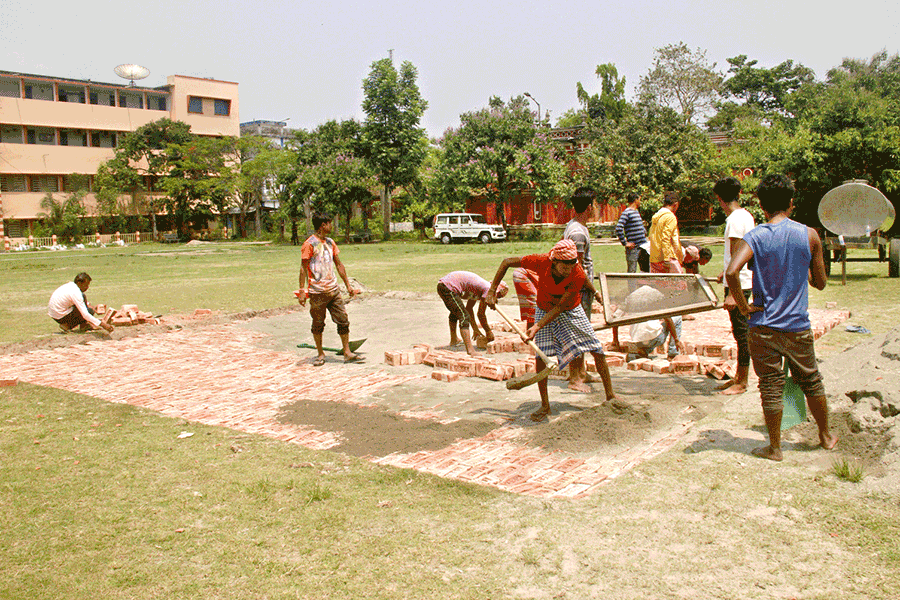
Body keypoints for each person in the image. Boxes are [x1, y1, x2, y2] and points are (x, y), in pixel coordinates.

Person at [726, 174, 837, 461]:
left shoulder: (756, 236)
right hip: (797, 326)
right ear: (790, 203)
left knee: (770, 386)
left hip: (763, 327)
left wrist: (743, 305)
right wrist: (805, 272)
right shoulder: (809, 234)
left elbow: (731, 272)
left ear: (762, 206)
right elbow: (821, 283)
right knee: (811, 380)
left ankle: (775, 448)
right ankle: (825, 436)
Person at [486, 239, 616, 422]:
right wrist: (492, 291)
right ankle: (545, 405)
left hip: (570, 309)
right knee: (541, 357)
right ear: (554, 261)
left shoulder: (576, 273)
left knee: (596, 348)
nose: (568, 270)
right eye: (565, 267)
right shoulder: (541, 261)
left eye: (572, 266)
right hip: (544, 307)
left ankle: (610, 396)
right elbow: (507, 262)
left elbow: (561, 307)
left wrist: (536, 326)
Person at [297, 213, 361, 366]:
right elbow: (303, 268)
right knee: (318, 323)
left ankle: (347, 352)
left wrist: (348, 285)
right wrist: (301, 290)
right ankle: (320, 354)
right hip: (317, 292)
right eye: (329, 223)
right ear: (322, 225)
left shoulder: (331, 243)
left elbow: (339, 264)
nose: (331, 226)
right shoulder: (309, 244)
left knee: (343, 321)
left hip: (333, 290)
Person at [714, 176, 755, 395]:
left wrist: (732, 294)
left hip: (740, 284)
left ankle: (743, 381)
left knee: (742, 333)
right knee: (739, 332)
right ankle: (739, 376)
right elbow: (739, 255)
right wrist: (725, 271)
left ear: (719, 199)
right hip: (739, 281)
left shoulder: (735, 220)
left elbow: (738, 254)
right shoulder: (744, 215)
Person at [563, 187, 600, 391]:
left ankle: (582, 373)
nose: (597, 208)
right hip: (578, 290)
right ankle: (574, 378)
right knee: (577, 332)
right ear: (588, 207)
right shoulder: (577, 232)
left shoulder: (578, 227)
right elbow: (576, 268)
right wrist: (594, 291)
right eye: (595, 204)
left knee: (581, 331)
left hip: (581, 289)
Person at [437, 271, 508, 356]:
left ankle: (454, 340)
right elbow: (481, 314)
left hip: (444, 285)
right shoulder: (488, 290)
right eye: (498, 296)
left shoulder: (479, 289)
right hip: (448, 287)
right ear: (497, 291)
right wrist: (488, 331)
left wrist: (475, 329)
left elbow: (469, 309)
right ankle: (470, 350)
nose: (496, 299)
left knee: (456, 312)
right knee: (464, 316)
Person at [48, 272, 114, 333]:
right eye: (86, 285)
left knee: (89, 308)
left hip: (55, 315)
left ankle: (79, 325)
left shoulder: (71, 286)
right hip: (61, 316)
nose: (87, 288)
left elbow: (81, 303)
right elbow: (85, 314)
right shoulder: (76, 293)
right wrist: (103, 325)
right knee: (89, 311)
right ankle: (68, 325)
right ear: (79, 283)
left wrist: (93, 308)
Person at [649, 193, 684, 273]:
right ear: (675, 204)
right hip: (666, 258)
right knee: (679, 284)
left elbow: (650, 236)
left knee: (658, 284)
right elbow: (666, 238)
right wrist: (667, 258)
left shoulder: (656, 217)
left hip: (654, 257)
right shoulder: (670, 217)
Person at [615, 192, 650, 273]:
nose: (640, 202)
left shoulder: (636, 212)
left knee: (646, 270)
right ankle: (631, 286)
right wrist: (625, 243)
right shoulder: (627, 212)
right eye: (639, 200)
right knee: (632, 271)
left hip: (643, 246)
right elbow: (619, 228)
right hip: (633, 248)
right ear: (636, 200)